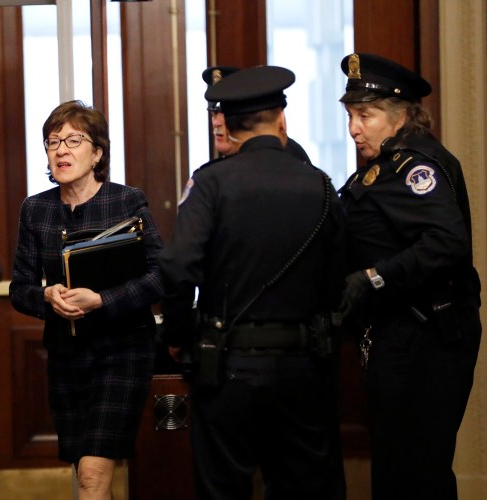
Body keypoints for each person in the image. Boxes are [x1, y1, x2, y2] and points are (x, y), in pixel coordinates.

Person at [160, 66, 346, 500]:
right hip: (302, 368)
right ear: (282, 119)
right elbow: (337, 281)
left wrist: (177, 335)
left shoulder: (210, 184)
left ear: (228, 122)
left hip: (227, 368)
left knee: (223, 488)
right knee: (304, 488)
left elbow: (176, 264)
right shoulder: (320, 185)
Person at [336, 52, 481, 500]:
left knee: (417, 470)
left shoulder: (416, 166)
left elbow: (446, 243)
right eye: (350, 115)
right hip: (398, 334)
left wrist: (373, 277)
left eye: (366, 115)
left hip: (426, 337)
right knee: (399, 466)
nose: (354, 127)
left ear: (400, 116)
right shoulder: (384, 165)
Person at [9, 100, 164, 499]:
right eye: (52, 141)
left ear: (97, 153)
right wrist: (45, 296)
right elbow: (19, 289)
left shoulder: (127, 201)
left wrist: (103, 300)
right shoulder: (36, 209)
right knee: (86, 473)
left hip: (123, 351)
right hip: (67, 355)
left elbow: (161, 275)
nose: (61, 150)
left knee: (93, 476)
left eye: (73, 140)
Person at [202, 65, 311, 163]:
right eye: (214, 113)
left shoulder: (286, 152)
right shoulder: (217, 169)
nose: (216, 122)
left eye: (225, 114)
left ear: (245, 116)